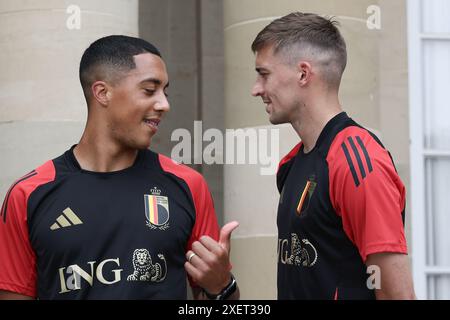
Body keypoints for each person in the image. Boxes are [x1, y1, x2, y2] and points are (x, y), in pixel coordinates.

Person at [0, 35, 239, 300]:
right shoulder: (28, 194)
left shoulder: (187, 185)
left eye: (165, 92)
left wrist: (222, 285)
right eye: (149, 90)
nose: (164, 104)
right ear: (102, 93)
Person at [251, 12, 415, 299]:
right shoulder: (290, 164)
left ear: (303, 73)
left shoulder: (358, 162)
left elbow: (395, 292)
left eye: (264, 74)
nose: (257, 89)